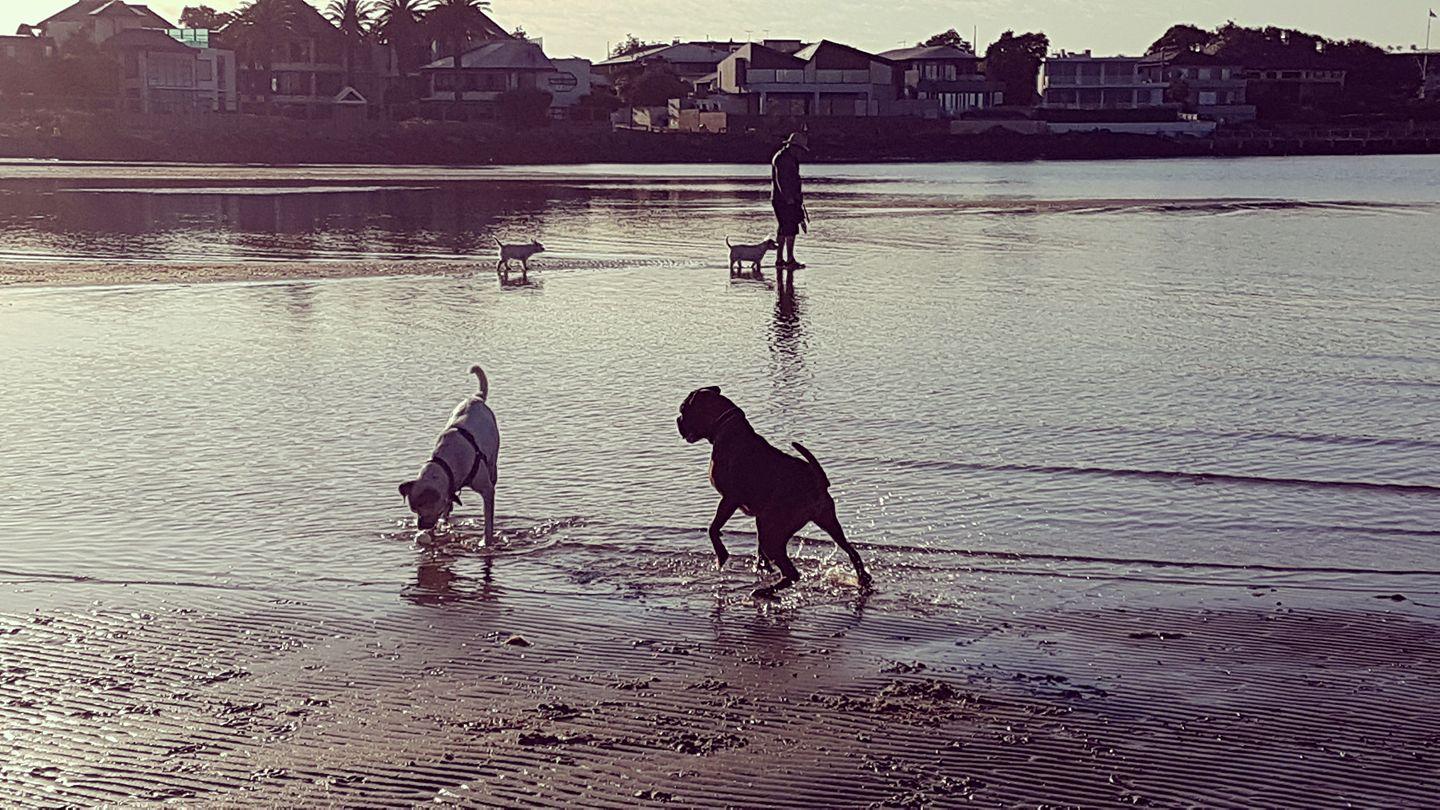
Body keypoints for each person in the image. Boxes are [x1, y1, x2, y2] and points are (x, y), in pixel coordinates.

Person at [770, 131, 809, 274]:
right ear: (794, 147)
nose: (801, 153)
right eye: (800, 149)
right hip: (784, 200)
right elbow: (781, 181)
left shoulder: (789, 158)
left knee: (783, 228)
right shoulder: (782, 158)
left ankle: (780, 260)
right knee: (790, 229)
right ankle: (789, 259)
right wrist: (789, 198)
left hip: (785, 198)